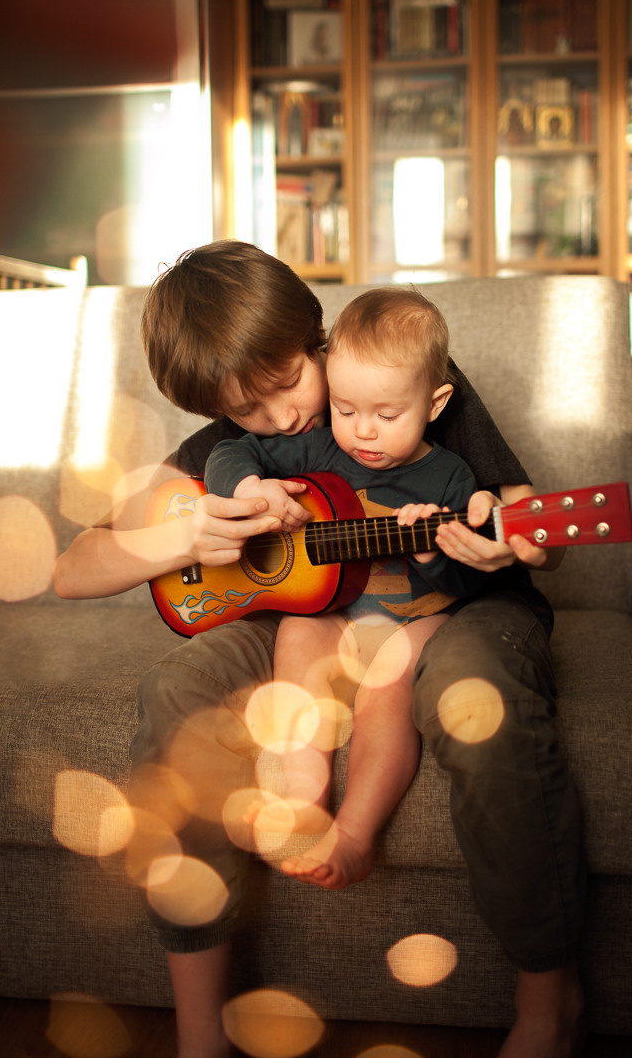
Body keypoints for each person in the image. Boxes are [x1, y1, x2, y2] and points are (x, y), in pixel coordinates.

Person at [53, 241, 586, 1058]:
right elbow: (71, 570)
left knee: (476, 698)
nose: (283, 421)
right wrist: (184, 531)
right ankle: (202, 1036)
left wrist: (519, 545)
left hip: (458, 599)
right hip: (308, 608)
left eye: (286, 388)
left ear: (317, 338)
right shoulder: (246, 434)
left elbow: (525, 511)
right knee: (174, 694)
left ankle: (550, 1007)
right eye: (247, 414)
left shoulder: (386, 370)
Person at [204, 286, 490, 891]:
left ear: (435, 403)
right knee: (298, 637)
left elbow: (471, 581)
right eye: (344, 408)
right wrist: (251, 484)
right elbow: (230, 451)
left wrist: (433, 554)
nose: (363, 431)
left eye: (387, 416)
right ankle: (304, 801)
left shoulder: (450, 476)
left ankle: (356, 833)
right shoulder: (320, 444)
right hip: (335, 610)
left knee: (389, 687)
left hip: (414, 617)